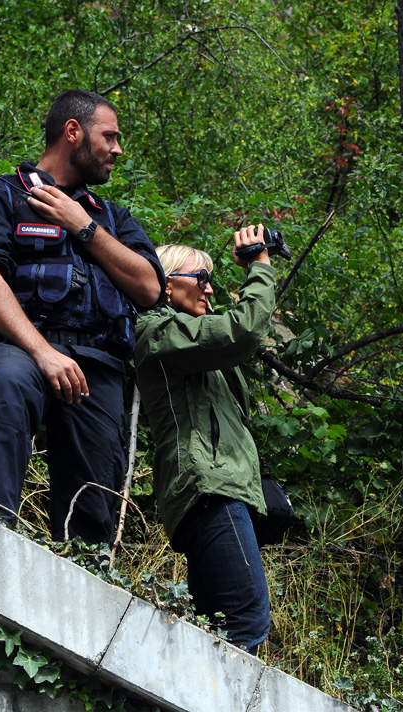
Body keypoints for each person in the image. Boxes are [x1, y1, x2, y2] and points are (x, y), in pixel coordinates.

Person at [0, 90, 165, 544]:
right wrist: (43, 352)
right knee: (8, 382)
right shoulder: (2, 196)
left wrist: (84, 226)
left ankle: (87, 568)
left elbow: (151, 287)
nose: (117, 149)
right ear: (73, 131)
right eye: (109, 137)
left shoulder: (112, 217)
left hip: (97, 366)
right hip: (20, 347)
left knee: (93, 506)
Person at [133, 226, 276, 655]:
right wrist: (260, 267)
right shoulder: (156, 332)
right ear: (166, 283)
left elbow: (232, 336)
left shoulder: (193, 345)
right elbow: (243, 330)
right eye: (201, 278)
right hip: (208, 489)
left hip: (219, 489)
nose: (209, 289)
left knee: (216, 627)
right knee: (248, 618)